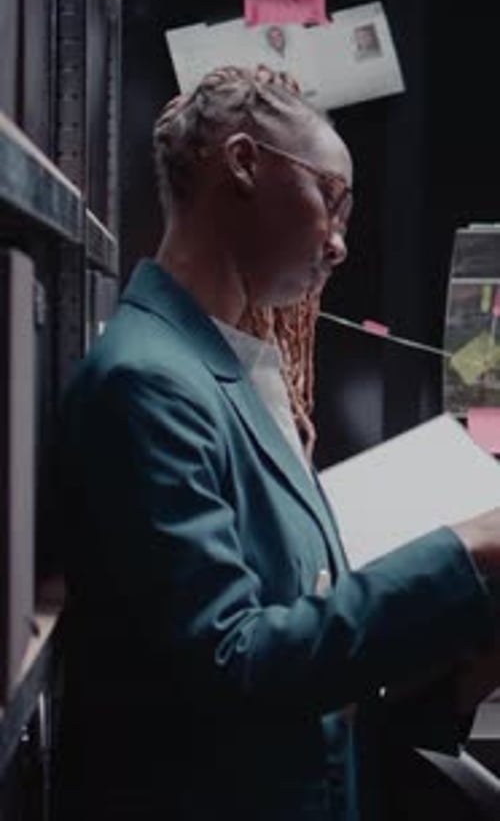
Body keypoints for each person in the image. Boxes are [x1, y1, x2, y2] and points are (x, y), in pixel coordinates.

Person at [55, 64, 500, 821]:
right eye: (331, 202)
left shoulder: (223, 374)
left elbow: (301, 685)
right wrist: (469, 551)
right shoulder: (148, 382)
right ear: (242, 164)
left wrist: (462, 678)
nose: (338, 245)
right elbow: (235, 665)